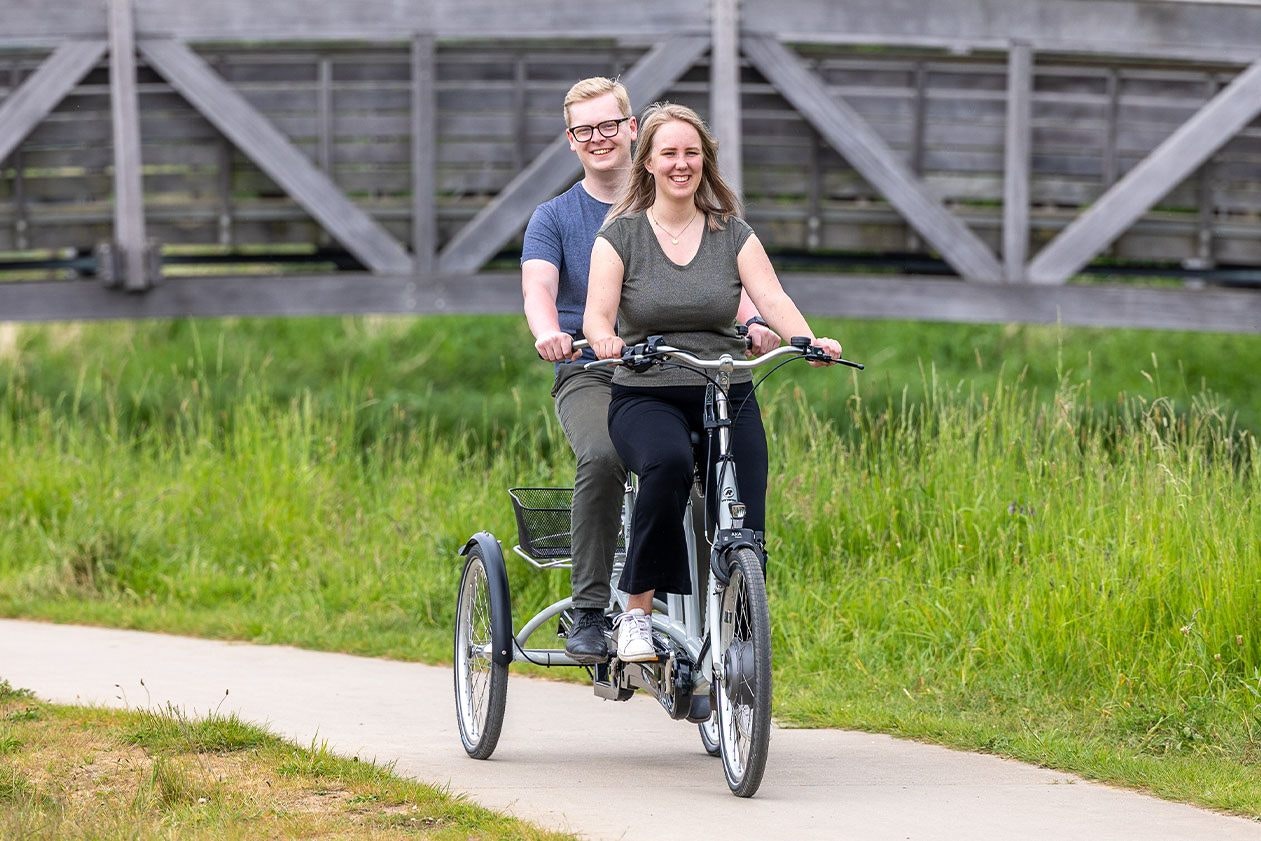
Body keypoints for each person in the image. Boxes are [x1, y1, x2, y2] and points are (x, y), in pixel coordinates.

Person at [522, 80, 779, 664]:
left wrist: (758, 321)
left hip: (682, 369)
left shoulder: (686, 208)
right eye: (585, 130)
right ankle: (591, 609)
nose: (599, 138)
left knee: (700, 474)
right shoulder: (557, 217)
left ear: (633, 128)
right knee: (605, 455)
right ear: (571, 140)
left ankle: (714, 615)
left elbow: (722, 286)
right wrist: (549, 333)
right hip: (593, 368)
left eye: (609, 125)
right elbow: (539, 287)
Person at [583, 102, 842, 662]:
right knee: (668, 464)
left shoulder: (733, 233)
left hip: (724, 388)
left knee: (747, 497)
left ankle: (741, 621)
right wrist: (607, 339)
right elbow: (596, 317)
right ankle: (636, 614)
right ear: (647, 162)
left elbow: (771, 298)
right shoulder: (620, 236)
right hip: (646, 389)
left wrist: (808, 338)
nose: (682, 164)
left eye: (692, 153)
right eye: (669, 154)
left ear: (706, 161)